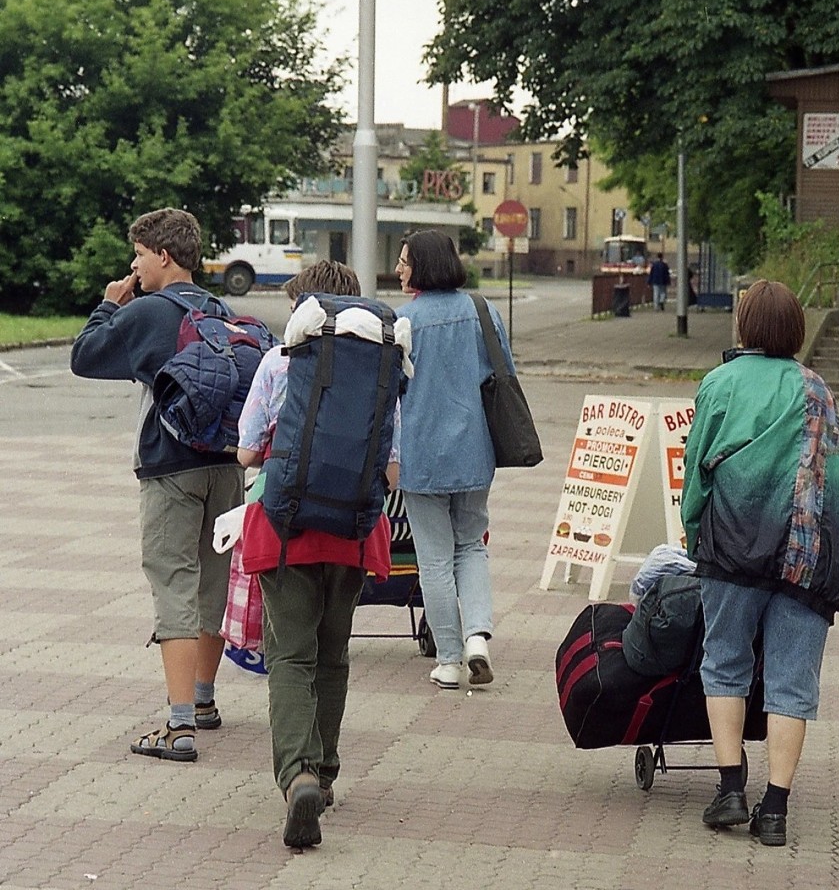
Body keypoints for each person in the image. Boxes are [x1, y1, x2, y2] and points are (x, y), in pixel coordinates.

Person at [681, 280, 839, 847]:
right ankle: (775, 810)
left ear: (745, 326)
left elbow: (698, 476)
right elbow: (835, 480)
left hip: (733, 547)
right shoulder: (817, 389)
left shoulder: (720, 383)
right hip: (806, 557)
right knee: (791, 682)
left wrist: (692, 536)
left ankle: (730, 790)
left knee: (725, 663)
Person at [70, 207, 245, 762]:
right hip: (226, 464)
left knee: (172, 582)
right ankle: (204, 697)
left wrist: (108, 304)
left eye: (140, 255)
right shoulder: (221, 310)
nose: (134, 265)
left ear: (164, 255)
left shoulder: (147, 312)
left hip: (171, 467)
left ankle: (178, 726)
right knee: (213, 582)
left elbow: (85, 357)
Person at [236, 260, 400, 849]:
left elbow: (248, 453)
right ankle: (326, 773)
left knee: (290, 657)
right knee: (333, 656)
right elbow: (393, 467)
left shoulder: (281, 361)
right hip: (354, 531)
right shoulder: (383, 369)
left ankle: (298, 773)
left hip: (286, 529)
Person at [395, 229, 513, 690]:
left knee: (435, 559)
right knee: (472, 544)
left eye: (405, 261)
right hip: (474, 450)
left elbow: (391, 394)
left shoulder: (403, 322)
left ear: (422, 265)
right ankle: (477, 638)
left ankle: (448, 659)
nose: (401, 268)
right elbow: (503, 374)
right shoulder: (483, 312)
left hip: (421, 456)